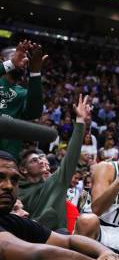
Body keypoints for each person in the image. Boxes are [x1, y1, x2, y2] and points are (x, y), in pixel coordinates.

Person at [18, 94, 88, 231]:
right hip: (25, 242)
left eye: (41, 158)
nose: (41, 161)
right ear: (23, 169)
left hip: (56, 238)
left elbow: (71, 157)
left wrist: (80, 122)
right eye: (34, 160)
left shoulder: (54, 182)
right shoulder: (14, 190)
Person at [0, 41, 44, 159]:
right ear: (2, 60)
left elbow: (34, 113)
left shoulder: (23, 93)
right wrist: (11, 64)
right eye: (19, 56)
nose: (24, 61)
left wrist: (35, 72)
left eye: (26, 59)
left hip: (6, 161)